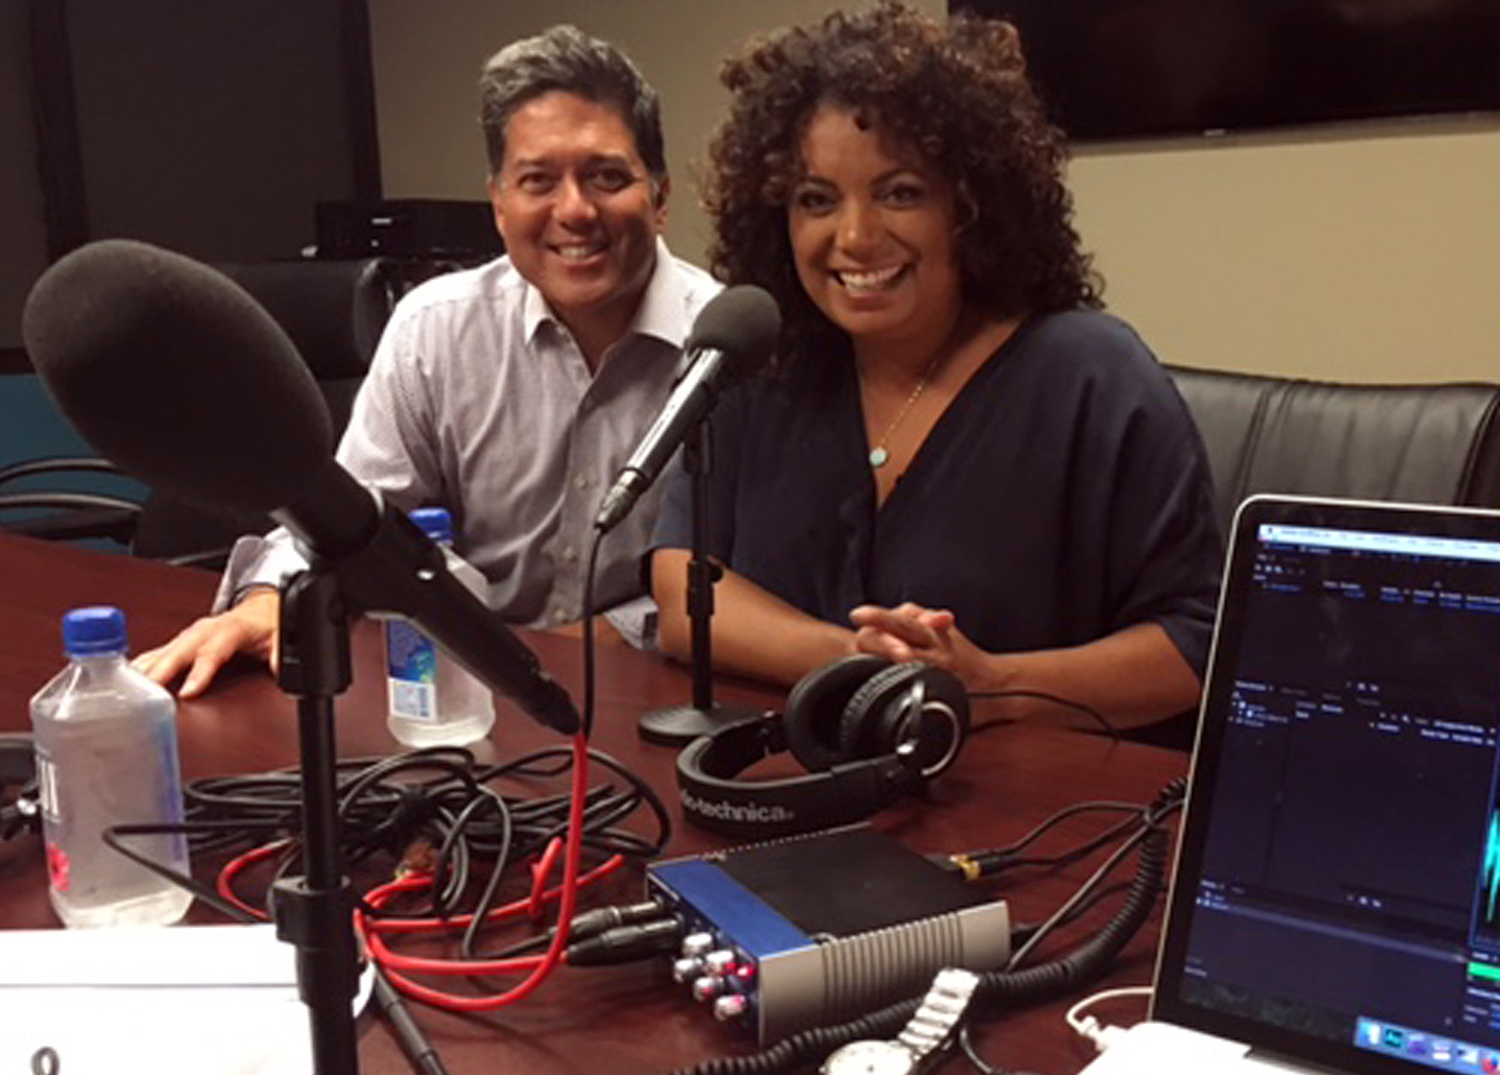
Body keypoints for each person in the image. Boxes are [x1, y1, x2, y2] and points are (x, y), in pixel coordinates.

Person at [650, 2, 1222, 730]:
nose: (854, 237)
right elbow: (683, 592)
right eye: (816, 200)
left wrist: (989, 686)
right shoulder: (764, 360)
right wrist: (865, 666)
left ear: (972, 204)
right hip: (792, 786)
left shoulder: (1093, 378)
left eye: (901, 192)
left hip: (1032, 817)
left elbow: (1194, 647)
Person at [137, 26, 719, 696]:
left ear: (661, 197)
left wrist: (585, 646)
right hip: (448, 695)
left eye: (607, 177)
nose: (575, 210)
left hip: (649, 693)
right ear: (499, 206)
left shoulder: (727, 343)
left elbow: (744, 578)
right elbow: (350, 514)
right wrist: (271, 596)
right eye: (537, 181)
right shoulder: (436, 329)